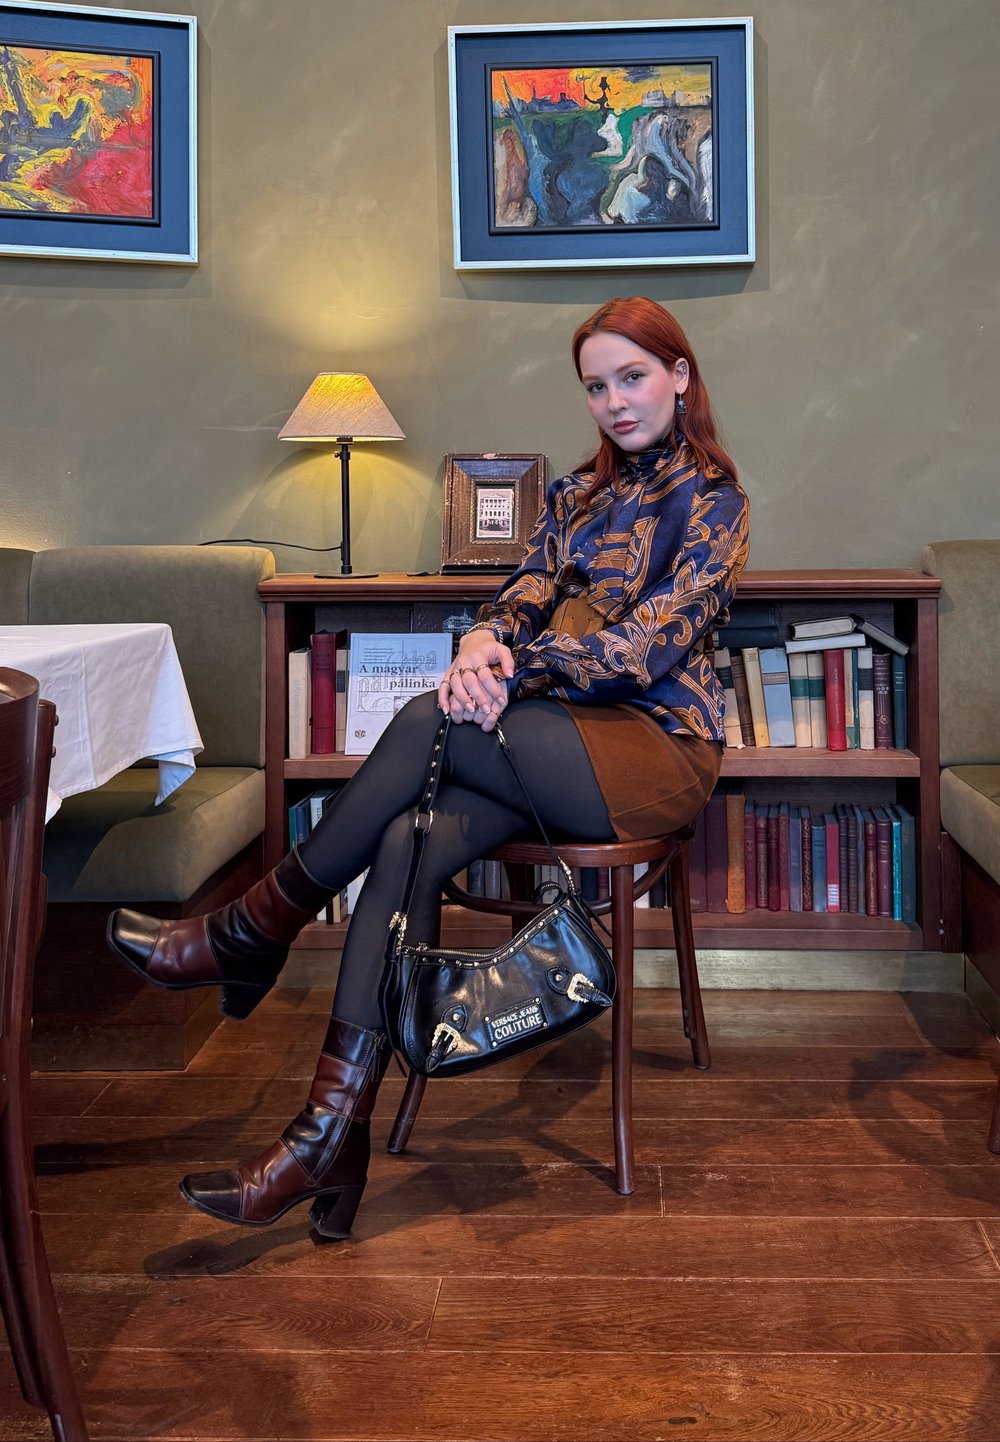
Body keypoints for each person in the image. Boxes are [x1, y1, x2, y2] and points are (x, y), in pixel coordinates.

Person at [106, 296, 750, 1240]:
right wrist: (485, 643)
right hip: (551, 734)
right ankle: (330, 1135)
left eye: (633, 377)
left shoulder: (715, 499)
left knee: (422, 722)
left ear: (679, 374)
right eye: (596, 385)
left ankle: (254, 927)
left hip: (654, 746)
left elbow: (647, 649)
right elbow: (523, 591)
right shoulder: (576, 496)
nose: (615, 401)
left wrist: (508, 669)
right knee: (408, 837)